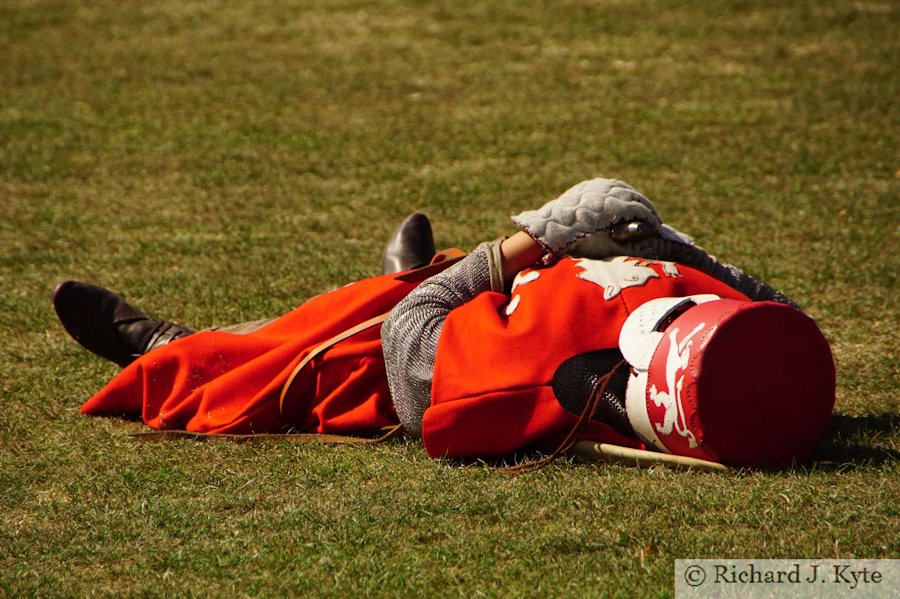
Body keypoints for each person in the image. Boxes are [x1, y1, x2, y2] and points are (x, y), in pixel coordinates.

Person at [54, 178, 836, 468]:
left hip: (396, 349)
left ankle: (163, 342)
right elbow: (793, 328)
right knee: (399, 285)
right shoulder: (740, 335)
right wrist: (673, 246)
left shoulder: (534, 369)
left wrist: (526, 243)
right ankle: (402, 268)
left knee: (307, 342)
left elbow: (409, 337)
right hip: (500, 291)